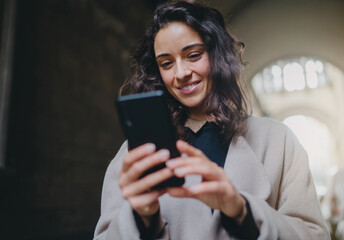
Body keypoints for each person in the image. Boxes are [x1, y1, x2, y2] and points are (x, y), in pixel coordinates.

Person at [94, 1, 330, 239]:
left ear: (218, 54)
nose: (181, 73)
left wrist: (241, 210)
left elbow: (314, 234)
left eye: (194, 55)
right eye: (166, 63)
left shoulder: (280, 142)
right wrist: (140, 218)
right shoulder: (136, 155)